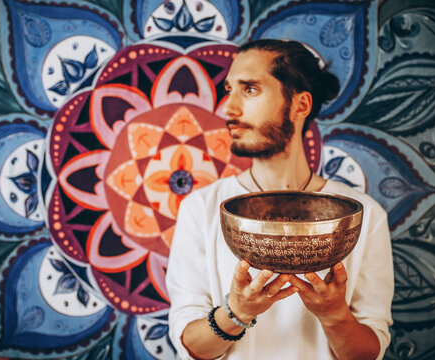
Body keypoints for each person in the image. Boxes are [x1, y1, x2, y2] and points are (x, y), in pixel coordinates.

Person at [165, 39, 394, 360]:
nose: (228, 108)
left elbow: (369, 352)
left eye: (251, 89)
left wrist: (334, 315)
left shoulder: (365, 215)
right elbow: (190, 345)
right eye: (230, 90)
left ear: (300, 105)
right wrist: (236, 312)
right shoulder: (201, 208)